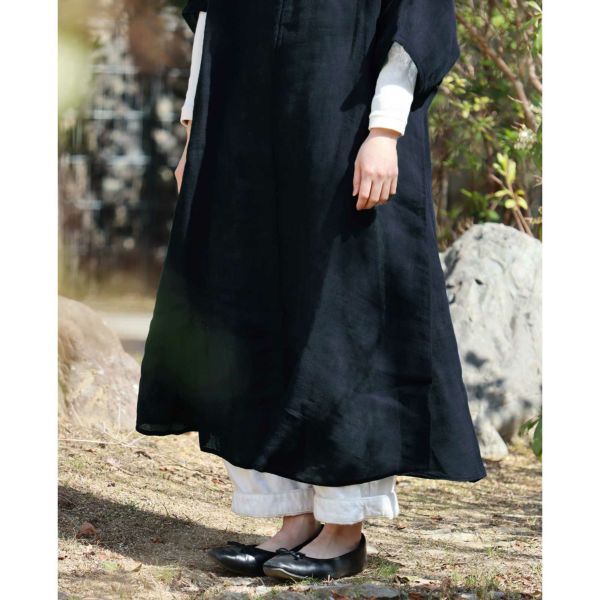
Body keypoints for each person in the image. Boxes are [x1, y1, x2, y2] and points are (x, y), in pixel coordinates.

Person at [136, 0, 486, 580]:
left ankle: (343, 530)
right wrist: (196, 132)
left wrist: (385, 130)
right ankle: (294, 519)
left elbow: (415, 21)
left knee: (340, 318)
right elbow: (214, 19)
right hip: (247, 134)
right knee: (255, 311)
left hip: (347, 131)